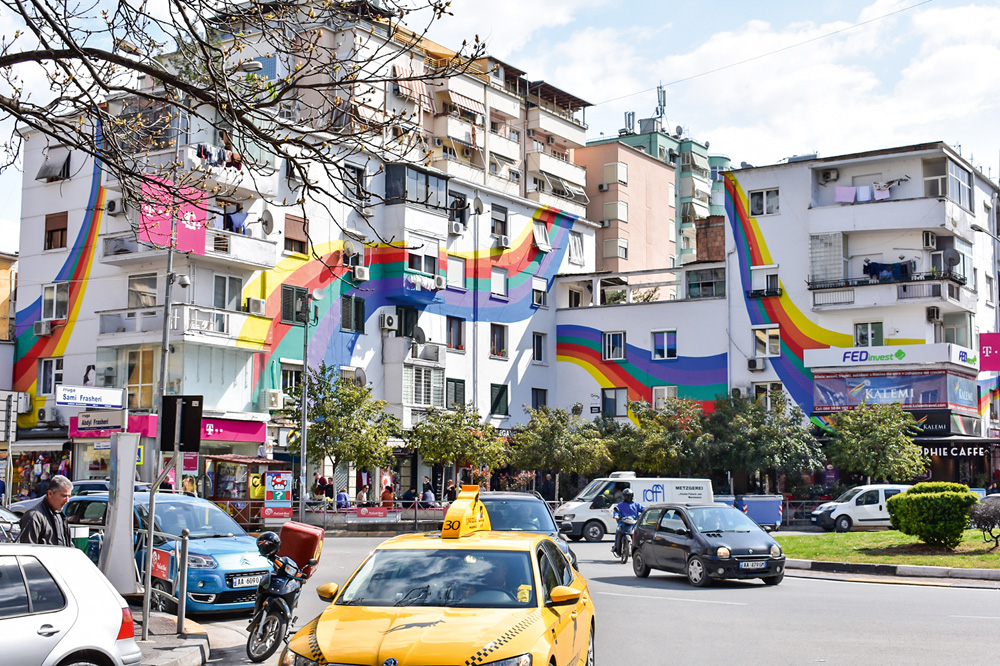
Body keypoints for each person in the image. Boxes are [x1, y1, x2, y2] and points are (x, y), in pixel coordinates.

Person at [18, 474, 73, 546]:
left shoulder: (59, 516)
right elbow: (28, 550)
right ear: (50, 494)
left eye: (69, 496)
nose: (67, 500)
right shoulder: (34, 516)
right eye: (64, 496)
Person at [611, 488, 645, 558]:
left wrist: (639, 516)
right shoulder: (621, 504)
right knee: (618, 531)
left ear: (632, 496)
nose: (627, 497)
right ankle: (616, 546)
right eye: (625, 496)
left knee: (639, 534)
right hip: (622, 523)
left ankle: (639, 549)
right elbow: (616, 511)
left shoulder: (636, 504)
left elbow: (644, 510)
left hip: (633, 523)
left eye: (628, 496)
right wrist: (616, 516)